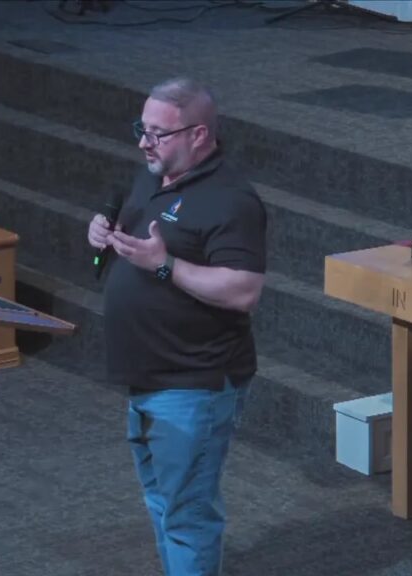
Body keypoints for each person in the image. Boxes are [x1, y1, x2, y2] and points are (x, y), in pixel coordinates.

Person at [87, 77, 267, 576]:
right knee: (163, 503)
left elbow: (243, 291)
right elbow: (120, 196)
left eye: (158, 133)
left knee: (186, 513)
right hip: (147, 377)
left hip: (194, 383)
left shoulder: (231, 201)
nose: (144, 142)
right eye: (141, 129)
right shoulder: (153, 175)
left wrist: (165, 265)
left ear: (199, 136)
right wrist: (101, 224)